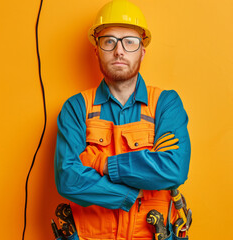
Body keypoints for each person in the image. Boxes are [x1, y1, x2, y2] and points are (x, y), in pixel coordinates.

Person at [54, 0, 191, 239]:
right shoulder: (76, 108)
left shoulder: (165, 104)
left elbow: (174, 169)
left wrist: (103, 165)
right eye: (109, 41)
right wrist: (128, 194)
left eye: (129, 42)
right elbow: (68, 179)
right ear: (96, 50)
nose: (119, 51)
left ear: (142, 51)